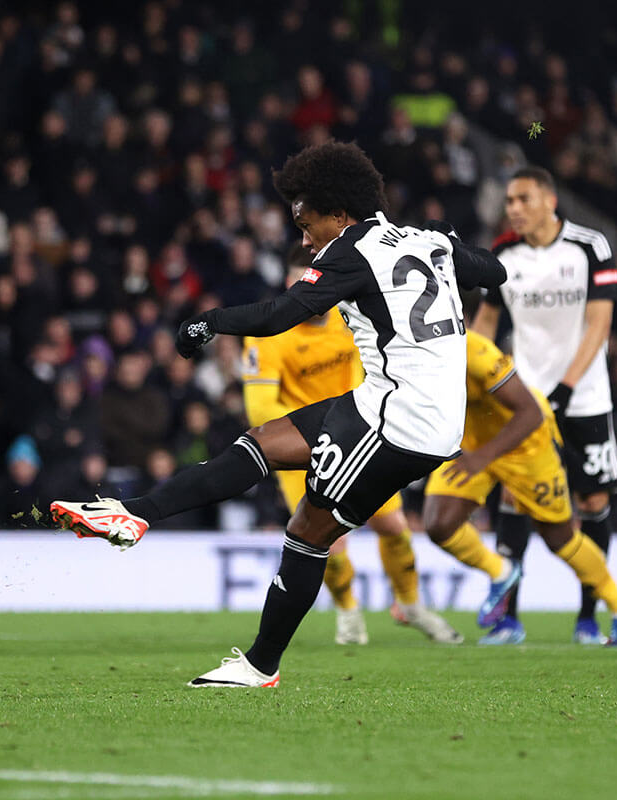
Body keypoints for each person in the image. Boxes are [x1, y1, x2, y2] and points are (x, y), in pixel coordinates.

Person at [51, 142, 506, 687]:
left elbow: (279, 315)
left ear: (340, 214)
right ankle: (133, 514)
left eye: (308, 222)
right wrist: (450, 240)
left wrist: (209, 321)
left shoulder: (353, 250)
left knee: (309, 531)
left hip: (401, 416)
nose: (304, 237)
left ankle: (261, 664)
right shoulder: (424, 240)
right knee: (263, 441)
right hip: (393, 403)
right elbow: (495, 271)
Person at [242, 246, 462, 645]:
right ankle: (348, 613)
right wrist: (310, 434)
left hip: (359, 433)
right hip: (303, 447)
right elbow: (260, 406)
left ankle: (410, 605)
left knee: (394, 526)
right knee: (328, 538)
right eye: (302, 284)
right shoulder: (268, 335)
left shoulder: (349, 314)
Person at [472, 166, 617, 645]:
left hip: (585, 399)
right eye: (509, 201)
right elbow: (487, 322)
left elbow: (599, 326)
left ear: (549, 200)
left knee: (593, 502)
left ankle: (588, 617)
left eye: (522, 199)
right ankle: (509, 620)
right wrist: (474, 382)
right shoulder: (502, 253)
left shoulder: (589, 247)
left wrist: (565, 388)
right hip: (526, 400)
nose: (512, 208)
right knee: (518, 496)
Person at [422, 326, 617, 646]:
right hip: (473, 442)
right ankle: (501, 571)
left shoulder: (478, 352)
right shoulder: (414, 352)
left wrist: (482, 457)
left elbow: (531, 414)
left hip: (526, 444)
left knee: (560, 538)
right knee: (438, 523)